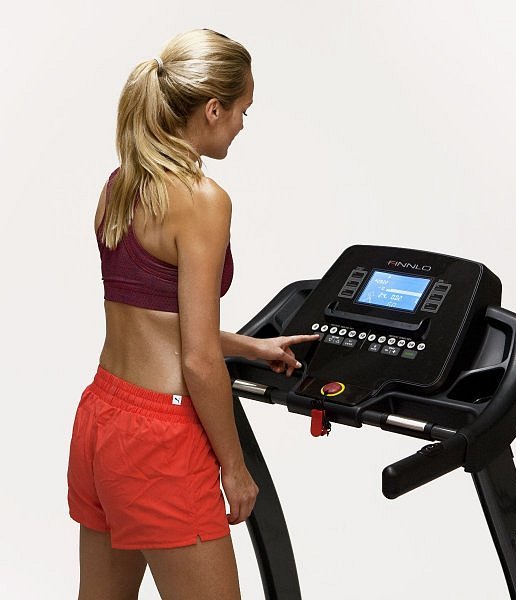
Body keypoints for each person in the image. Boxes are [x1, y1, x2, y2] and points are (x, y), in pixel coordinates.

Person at [67, 28, 319, 599]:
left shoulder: (120, 186)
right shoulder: (202, 199)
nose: (242, 125)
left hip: (102, 417)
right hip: (160, 438)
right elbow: (199, 359)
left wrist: (252, 346)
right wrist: (235, 468)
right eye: (242, 110)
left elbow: (156, 322)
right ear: (212, 109)